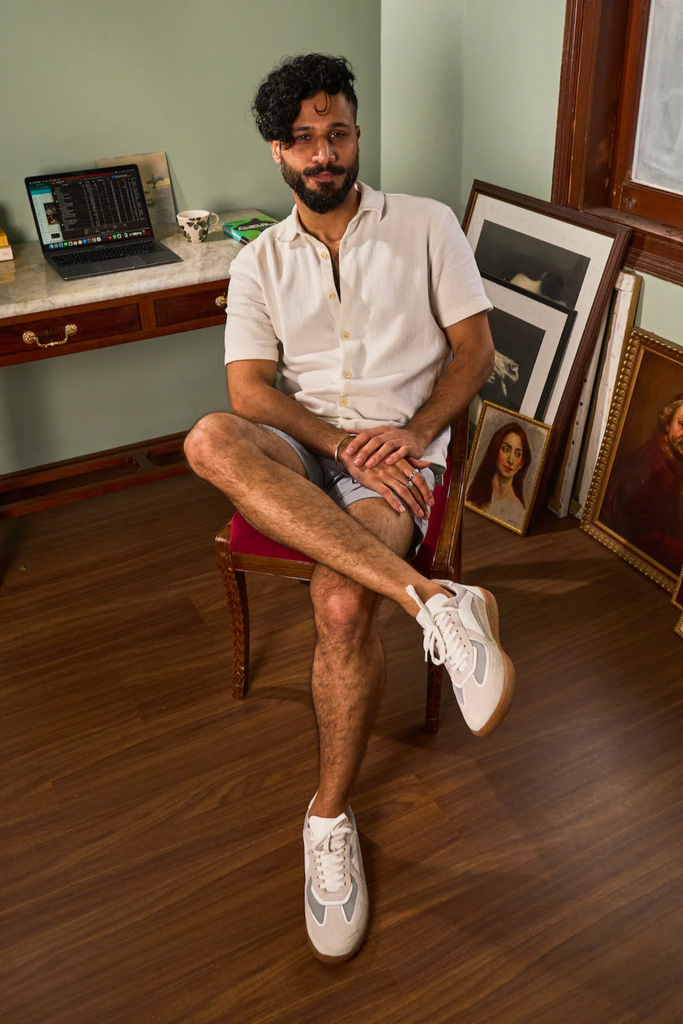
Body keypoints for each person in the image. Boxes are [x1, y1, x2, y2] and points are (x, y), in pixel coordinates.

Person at [184, 53, 515, 964]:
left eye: (335, 134)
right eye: (303, 140)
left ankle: (326, 817)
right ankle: (433, 603)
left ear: (357, 134)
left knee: (338, 606)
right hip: (309, 449)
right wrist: (334, 444)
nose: (322, 154)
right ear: (277, 152)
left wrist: (410, 433)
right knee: (208, 438)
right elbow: (250, 391)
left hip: (397, 459)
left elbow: (474, 352)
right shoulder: (257, 261)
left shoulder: (426, 224)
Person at [602, 392, 683, 576]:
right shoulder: (652, 462)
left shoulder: (673, 461)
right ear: (668, 423)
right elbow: (643, 537)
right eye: (682, 424)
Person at [467, 422, 531, 529]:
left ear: (521, 463)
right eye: (506, 449)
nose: (510, 460)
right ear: (495, 450)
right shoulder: (471, 492)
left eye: (517, 454)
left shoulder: (518, 511)